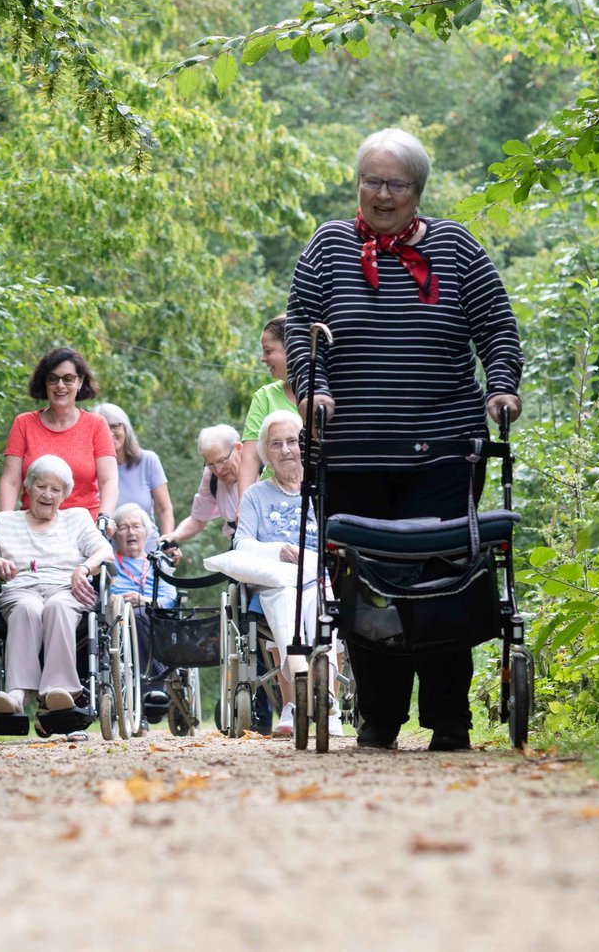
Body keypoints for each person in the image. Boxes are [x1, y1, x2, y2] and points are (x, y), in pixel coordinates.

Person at [287, 125, 522, 752]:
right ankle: (379, 720)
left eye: (395, 184)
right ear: (357, 185)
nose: (381, 194)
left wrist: (501, 387)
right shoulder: (327, 248)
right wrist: (313, 392)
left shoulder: (457, 248)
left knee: (439, 577)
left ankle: (449, 722)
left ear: (418, 191)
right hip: (352, 452)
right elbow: (302, 343)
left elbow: (497, 327)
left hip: (443, 448)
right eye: (371, 181)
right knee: (366, 581)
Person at [0, 455, 114, 718]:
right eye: (41, 486)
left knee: (57, 606)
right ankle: (17, 694)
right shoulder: (5, 522)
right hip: (20, 590)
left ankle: (59, 691)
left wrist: (83, 569)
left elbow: (104, 551)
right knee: (27, 608)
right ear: (28, 487)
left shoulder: (77, 519)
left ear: (64, 495)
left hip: (65, 589)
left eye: (55, 489)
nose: (47, 494)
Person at [233, 409, 339, 737]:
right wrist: (276, 551)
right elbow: (241, 544)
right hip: (276, 579)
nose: (286, 450)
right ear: (266, 452)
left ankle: (328, 701)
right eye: (276, 444)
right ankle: (294, 704)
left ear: (304, 445)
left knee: (319, 599)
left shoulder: (325, 488)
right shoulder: (255, 496)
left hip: (321, 576)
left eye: (293, 441)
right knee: (285, 597)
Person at [0, 348, 118, 534]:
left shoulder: (96, 425)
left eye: (68, 379)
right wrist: (3, 525)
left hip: (84, 529)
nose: (60, 385)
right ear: (45, 383)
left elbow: (109, 479)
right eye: (53, 379)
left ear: (80, 381)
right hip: (33, 528)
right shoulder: (24, 423)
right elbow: (11, 480)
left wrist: (105, 516)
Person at [108, 503, 170, 721]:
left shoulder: (158, 562)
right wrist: (114, 599)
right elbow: (100, 594)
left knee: (142, 614)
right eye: (123, 527)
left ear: (147, 531)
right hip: (117, 621)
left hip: (151, 618)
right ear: (114, 534)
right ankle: (152, 689)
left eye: (136, 526)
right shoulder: (108, 562)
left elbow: (170, 597)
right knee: (134, 615)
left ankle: (153, 688)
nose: (131, 532)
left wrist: (143, 600)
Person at [238, 315, 297, 498]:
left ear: (293, 349)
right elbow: (250, 457)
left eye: (268, 351)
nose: (263, 359)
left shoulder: (325, 395)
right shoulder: (265, 397)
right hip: (274, 498)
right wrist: (244, 503)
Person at [95, 403, 175, 537]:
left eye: (115, 426)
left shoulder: (148, 461)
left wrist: (167, 542)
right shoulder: (92, 469)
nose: (109, 433)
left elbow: (164, 509)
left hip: (147, 551)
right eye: (103, 429)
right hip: (108, 552)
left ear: (126, 428)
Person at [163, 424, 244, 552]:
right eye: (211, 464)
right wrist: (175, 536)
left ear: (238, 448)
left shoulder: (262, 469)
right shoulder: (211, 477)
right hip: (240, 546)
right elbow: (198, 519)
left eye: (222, 460)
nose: (218, 469)